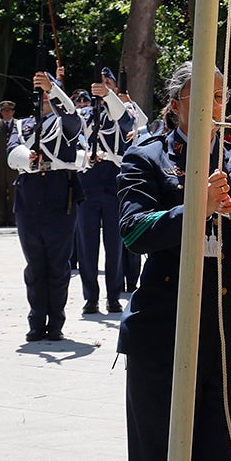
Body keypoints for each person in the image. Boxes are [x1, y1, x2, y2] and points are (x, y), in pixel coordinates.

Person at [117, 61, 231, 461]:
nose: (214, 106)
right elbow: (133, 232)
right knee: (161, 451)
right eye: (204, 96)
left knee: (225, 447)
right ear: (177, 103)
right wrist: (194, 208)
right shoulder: (146, 158)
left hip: (230, 325)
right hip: (166, 325)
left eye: (221, 97)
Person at [11, 71, 85, 342]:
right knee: (34, 265)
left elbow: (72, 120)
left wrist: (53, 88)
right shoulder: (22, 125)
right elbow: (11, 152)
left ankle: (55, 323)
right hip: (29, 195)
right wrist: (25, 156)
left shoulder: (67, 121)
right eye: (40, 91)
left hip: (59, 193)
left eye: (48, 92)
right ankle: (35, 321)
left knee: (57, 264)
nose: (44, 96)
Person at [79, 73, 144, 313]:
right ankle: (90, 297)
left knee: (114, 244)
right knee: (87, 243)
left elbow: (128, 125)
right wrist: (83, 156)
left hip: (114, 181)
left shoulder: (126, 111)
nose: (103, 89)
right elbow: (72, 136)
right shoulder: (86, 114)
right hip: (89, 180)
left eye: (108, 85)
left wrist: (109, 97)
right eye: (100, 85)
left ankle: (113, 295)